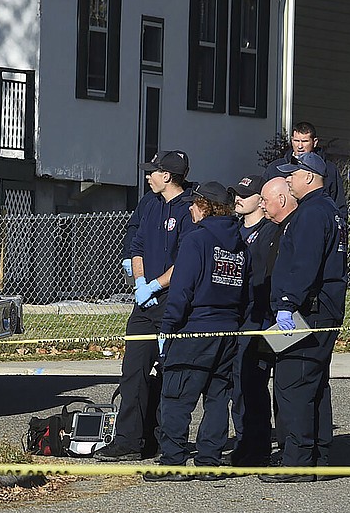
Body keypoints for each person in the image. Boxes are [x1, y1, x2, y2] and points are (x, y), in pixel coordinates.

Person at [145, 181, 249, 481]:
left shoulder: (196, 240)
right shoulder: (240, 243)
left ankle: (174, 461)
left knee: (176, 396)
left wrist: (168, 327)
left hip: (195, 329)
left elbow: (181, 290)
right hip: (228, 330)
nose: (190, 207)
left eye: (194, 203)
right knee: (217, 398)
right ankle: (209, 460)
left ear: (205, 206)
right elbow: (245, 291)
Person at [96, 150, 195, 461]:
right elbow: (136, 243)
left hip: (173, 301)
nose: (148, 176)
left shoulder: (190, 208)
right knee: (133, 370)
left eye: (153, 171)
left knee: (169, 373)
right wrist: (140, 282)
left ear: (167, 176)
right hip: (144, 302)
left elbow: (186, 261)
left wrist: (157, 284)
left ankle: (164, 441)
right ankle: (127, 440)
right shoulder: (149, 202)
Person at [263, 151, 347, 482]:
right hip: (322, 307)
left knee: (293, 383)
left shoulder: (312, 213)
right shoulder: (330, 210)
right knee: (314, 383)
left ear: (310, 177)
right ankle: (318, 457)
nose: (288, 181)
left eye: (292, 176)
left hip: (307, 310)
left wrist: (287, 301)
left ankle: (297, 460)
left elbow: (305, 263)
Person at [228, 174, 285, 466]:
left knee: (253, 383)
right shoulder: (233, 231)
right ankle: (243, 441)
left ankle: (259, 446)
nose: (238, 198)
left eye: (245, 194)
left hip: (260, 317)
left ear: (261, 202)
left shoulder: (270, 233)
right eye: (236, 193)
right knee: (237, 384)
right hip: (235, 316)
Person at [264, 121, 348, 221]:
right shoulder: (276, 167)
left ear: (315, 142)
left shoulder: (329, 170)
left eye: (304, 141)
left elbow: (339, 205)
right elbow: (263, 200)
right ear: (291, 140)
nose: (300, 146)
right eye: (296, 141)